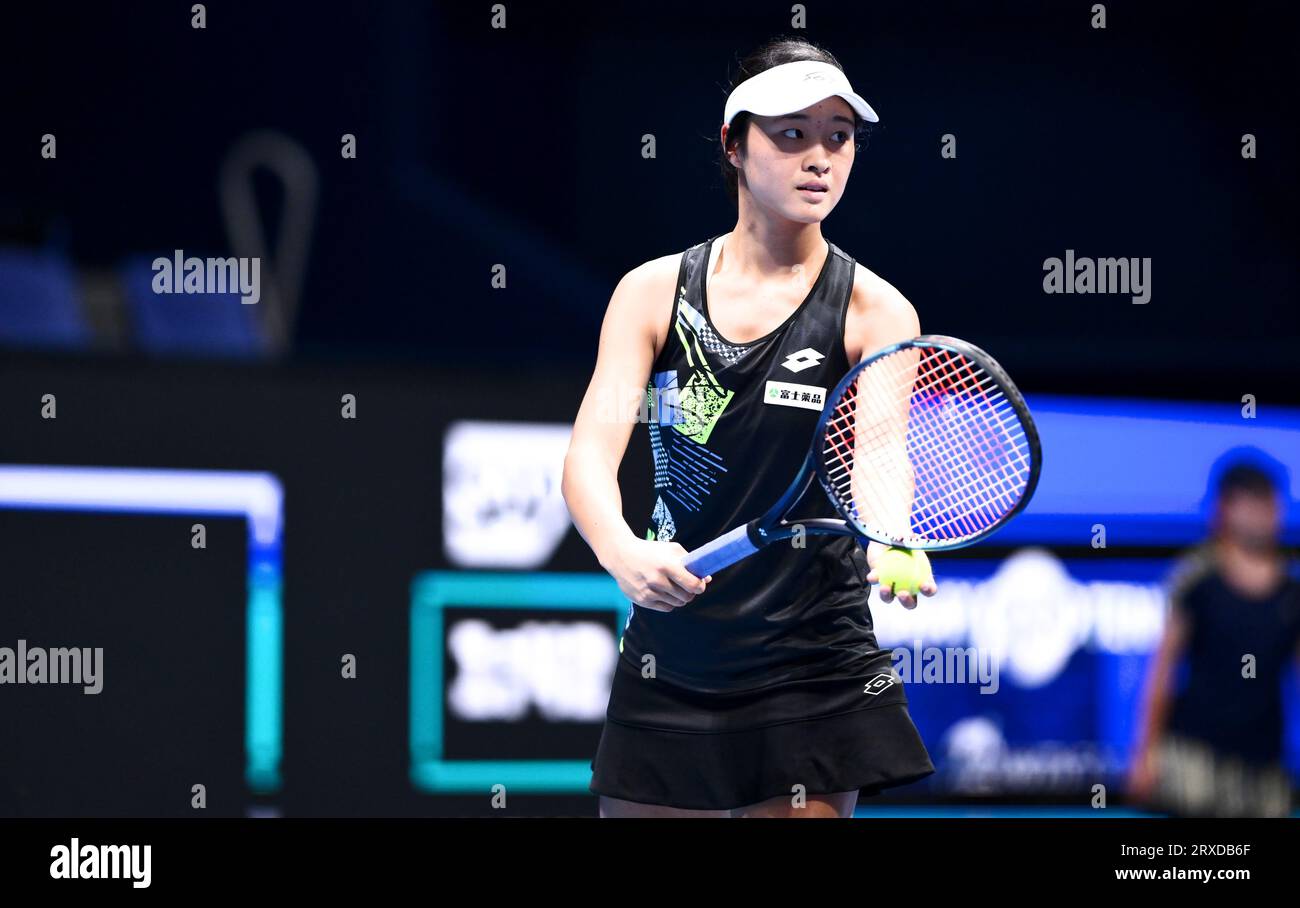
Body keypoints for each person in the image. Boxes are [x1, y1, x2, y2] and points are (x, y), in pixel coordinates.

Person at [562, 36, 937, 818]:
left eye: (839, 136)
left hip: (814, 659)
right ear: (734, 145)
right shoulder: (653, 292)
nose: (820, 157)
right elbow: (590, 457)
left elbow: (881, 452)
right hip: (675, 651)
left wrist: (894, 532)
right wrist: (622, 551)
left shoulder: (876, 310)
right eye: (791, 133)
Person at [1129, 455, 1300, 816]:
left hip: (1263, 767)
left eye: (1267, 501)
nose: (1263, 513)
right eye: (1250, 501)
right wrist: (1145, 754)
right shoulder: (1196, 580)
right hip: (1192, 760)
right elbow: (1161, 672)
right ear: (1225, 509)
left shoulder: (1292, 593)